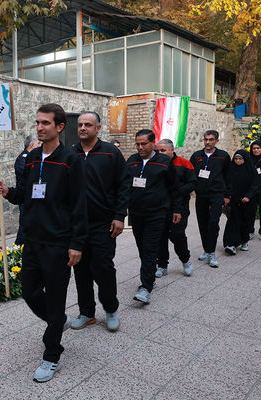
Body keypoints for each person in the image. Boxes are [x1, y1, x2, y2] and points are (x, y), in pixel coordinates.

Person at [0, 103, 87, 383]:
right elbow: (27, 194)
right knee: (30, 293)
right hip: (33, 240)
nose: (40, 127)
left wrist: (77, 244)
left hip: (59, 244)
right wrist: (9, 192)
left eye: (46, 123)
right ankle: (57, 322)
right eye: (38, 122)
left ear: (60, 127)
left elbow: (80, 205)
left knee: (56, 301)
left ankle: (52, 355)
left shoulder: (71, 160)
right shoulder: (33, 158)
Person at [70, 112, 130, 331]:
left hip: (103, 223)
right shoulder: (71, 154)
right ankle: (87, 312)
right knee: (81, 269)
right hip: (77, 225)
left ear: (98, 128)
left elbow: (123, 185)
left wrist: (119, 216)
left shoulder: (111, 153)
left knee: (103, 268)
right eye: (80, 125)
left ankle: (111, 309)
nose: (83, 128)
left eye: (88, 125)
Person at [126, 129, 180, 304]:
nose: (140, 147)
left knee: (150, 249)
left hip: (156, 214)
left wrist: (177, 209)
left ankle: (145, 287)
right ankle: (150, 277)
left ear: (153, 143)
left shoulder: (164, 162)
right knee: (142, 248)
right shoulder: (132, 161)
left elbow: (174, 188)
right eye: (138, 144)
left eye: (144, 144)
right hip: (136, 213)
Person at [190, 130, 231, 268]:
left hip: (217, 194)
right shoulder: (196, 156)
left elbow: (228, 176)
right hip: (201, 195)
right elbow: (191, 174)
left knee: (213, 222)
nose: (208, 142)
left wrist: (227, 195)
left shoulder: (223, 156)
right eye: (206, 139)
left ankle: (212, 252)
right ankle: (206, 250)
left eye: (211, 139)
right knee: (202, 223)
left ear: (216, 141)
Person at [155, 139, 196, 278]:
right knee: (161, 236)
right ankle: (162, 265)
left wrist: (177, 191)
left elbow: (192, 183)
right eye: (157, 150)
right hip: (160, 207)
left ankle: (185, 260)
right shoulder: (155, 163)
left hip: (180, 207)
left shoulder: (184, 163)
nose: (159, 153)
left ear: (172, 150)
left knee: (177, 235)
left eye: (163, 150)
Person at [223, 150, 259, 254]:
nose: (238, 161)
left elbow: (255, 184)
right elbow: (227, 183)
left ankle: (244, 241)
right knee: (233, 221)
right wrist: (226, 196)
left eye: (240, 159)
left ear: (245, 159)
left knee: (245, 221)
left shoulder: (250, 169)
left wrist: (248, 196)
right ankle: (231, 244)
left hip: (247, 201)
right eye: (236, 159)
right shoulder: (231, 169)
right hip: (233, 200)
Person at [13, 135, 40, 246]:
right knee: (25, 224)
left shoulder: (32, 157)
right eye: (38, 143)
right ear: (32, 145)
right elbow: (28, 176)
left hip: (34, 195)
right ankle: (18, 248)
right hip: (25, 197)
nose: (40, 145)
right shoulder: (23, 158)